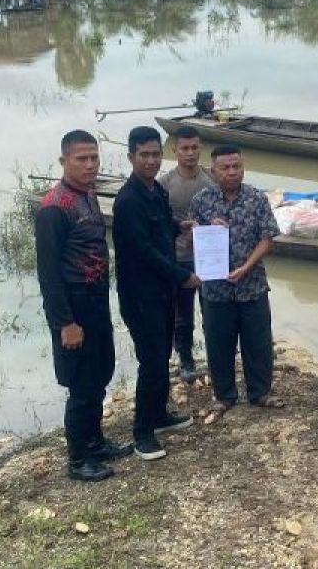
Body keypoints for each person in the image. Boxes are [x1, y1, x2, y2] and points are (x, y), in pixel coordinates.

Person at [35, 129, 130, 482]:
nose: (90, 165)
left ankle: (96, 442)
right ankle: (77, 460)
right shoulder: (53, 209)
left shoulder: (86, 195)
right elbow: (48, 274)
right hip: (73, 307)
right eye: (81, 159)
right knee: (81, 386)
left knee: (100, 373)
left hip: (95, 301)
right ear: (64, 162)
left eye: (94, 158)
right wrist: (65, 323)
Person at [112, 126, 200, 461]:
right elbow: (144, 251)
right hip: (141, 296)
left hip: (162, 293)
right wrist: (183, 276)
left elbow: (163, 227)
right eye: (144, 155)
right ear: (131, 157)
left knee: (162, 355)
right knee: (151, 362)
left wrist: (181, 227)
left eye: (154, 154)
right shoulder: (128, 200)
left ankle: (160, 415)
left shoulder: (156, 192)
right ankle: (142, 433)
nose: (150, 161)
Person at [188, 144, 283, 412]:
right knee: (219, 344)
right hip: (215, 289)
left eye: (236, 167)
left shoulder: (256, 198)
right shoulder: (201, 201)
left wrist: (246, 266)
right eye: (225, 168)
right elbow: (191, 240)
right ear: (213, 171)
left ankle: (260, 393)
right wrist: (202, 230)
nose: (232, 172)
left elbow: (267, 239)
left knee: (259, 342)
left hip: (252, 285)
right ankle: (224, 396)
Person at [158, 125, 216, 383]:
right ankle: (186, 360)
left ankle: (216, 358)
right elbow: (158, 224)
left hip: (209, 259)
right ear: (175, 150)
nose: (190, 153)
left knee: (212, 311)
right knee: (182, 314)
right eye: (185, 148)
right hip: (179, 259)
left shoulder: (211, 181)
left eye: (194, 148)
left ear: (200, 148)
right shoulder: (164, 184)